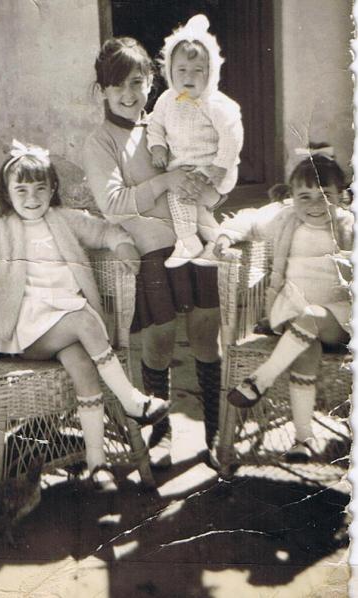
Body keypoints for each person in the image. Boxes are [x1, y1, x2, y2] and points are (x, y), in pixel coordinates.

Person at [0, 140, 170, 491]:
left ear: (53, 189)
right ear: (6, 193)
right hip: (26, 331)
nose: (32, 198)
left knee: (84, 368)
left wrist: (122, 245)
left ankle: (97, 464)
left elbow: (103, 230)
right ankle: (130, 400)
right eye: (21, 190)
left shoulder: (64, 220)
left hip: (64, 327)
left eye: (40, 188)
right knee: (84, 320)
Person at [83, 37, 223, 469]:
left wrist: (207, 186)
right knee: (160, 338)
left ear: (151, 82)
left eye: (137, 83)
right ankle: (161, 431)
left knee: (205, 332)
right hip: (152, 250)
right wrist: (164, 182)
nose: (129, 94)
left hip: (193, 239)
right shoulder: (100, 142)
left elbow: (203, 171)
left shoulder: (170, 122)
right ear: (102, 90)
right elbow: (112, 203)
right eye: (118, 85)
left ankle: (215, 431)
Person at [215, 151, 352, 461]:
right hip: (294, 311)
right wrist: (225, 236)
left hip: (339, 318)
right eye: (305, 197)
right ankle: (303, 439)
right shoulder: (285, 219)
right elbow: (248, 220)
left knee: (311, 318)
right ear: (292, 197)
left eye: (325, 195)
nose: (316, 205)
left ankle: (260, 379)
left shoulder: (349, 225)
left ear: (340, 196)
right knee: (305, 351)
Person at [147, 14, 243, 268]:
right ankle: (216, 244)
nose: (188, 77)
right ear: (170, 71)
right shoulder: (167, 100)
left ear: (210, 72)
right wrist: (157, 146)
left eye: (197, 70)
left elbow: (231, 135)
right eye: (181, 70)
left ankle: (188, 240)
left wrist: (220, 166)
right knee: (191, 202)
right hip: (184, 167)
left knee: (182, 195)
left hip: (211, 169)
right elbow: (155, 126)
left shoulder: (215, 104)